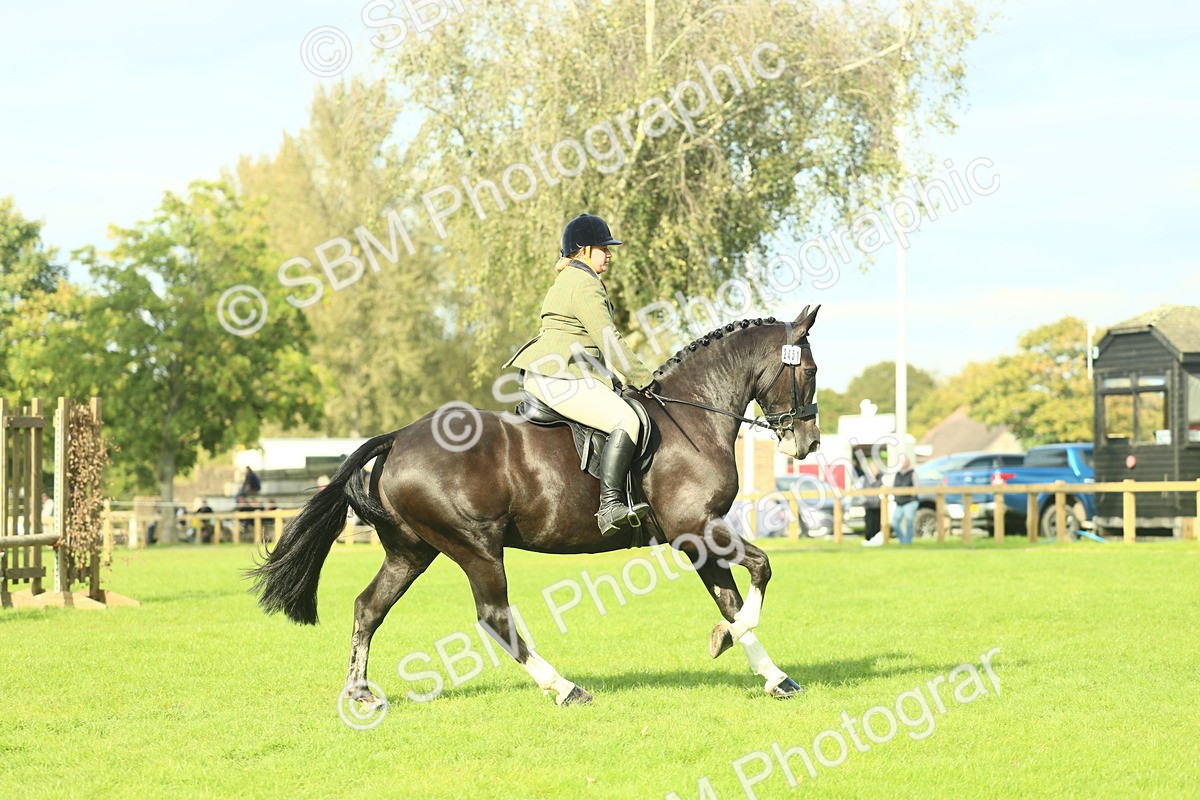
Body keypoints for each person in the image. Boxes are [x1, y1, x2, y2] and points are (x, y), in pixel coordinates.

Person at [502, 213, 657, 536]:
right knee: (627, 420)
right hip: (558, 377)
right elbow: (607, 338)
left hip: (557, 372)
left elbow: (585, 345)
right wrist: (645, 379)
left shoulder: (573, 279)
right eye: (604, 247)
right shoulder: (583, 282)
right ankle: (610, 505)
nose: (610, 254)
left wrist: (614, 379)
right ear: (584, 250)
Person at [892, 454, 920, 544]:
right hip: (899, 502)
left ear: (908, 462)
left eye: (904, 461)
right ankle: (902, 540)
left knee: (909, 521)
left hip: (909, 501)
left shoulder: (913, 473)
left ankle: (908, 541)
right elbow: (894, 486)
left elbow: (917, 487)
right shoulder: (898, 474)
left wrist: (911, 493)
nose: (903, 463)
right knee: (895, 523)